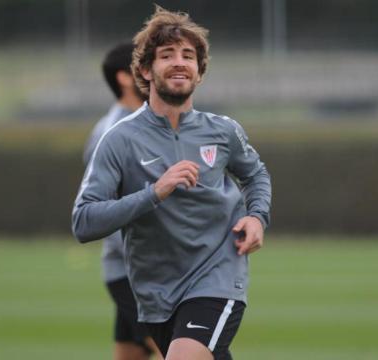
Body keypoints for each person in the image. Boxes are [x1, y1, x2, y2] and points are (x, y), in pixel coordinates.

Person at [72, 6, 271, 360]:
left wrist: (257, 216)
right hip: (155, 294)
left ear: (199, 71)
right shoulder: (119, 139)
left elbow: (256, 175)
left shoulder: (222, 131)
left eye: (188, 56)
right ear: (145, 70)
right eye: (167, 55)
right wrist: (154, 192)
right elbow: (84, 222)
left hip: (217, 276)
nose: (180, 62)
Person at [82, 43, 160, 360]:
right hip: (135, 272)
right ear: (124, 78)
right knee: (184, 349)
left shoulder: (147, 122)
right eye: (143, 64)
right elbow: (97, 208)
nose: (151, 71)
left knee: (131, 354)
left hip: (142, 269)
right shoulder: (111, 131)